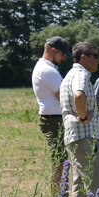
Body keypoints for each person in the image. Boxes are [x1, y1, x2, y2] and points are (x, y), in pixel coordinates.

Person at [58, 42, 99, 197]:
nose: (98, 60)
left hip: (74, 136)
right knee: (97, 178)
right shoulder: (81, 74)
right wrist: (82, 116)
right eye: (95, 56)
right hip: (85, 134)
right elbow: (78, 94)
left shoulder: (69, 74)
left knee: (79, 180)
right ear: (83, 57)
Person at [32, 35, 70, 188]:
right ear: (53, 50)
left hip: (54, 117)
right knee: (60, 162)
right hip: (54, 119)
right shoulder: (46, 70)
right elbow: (64, 97)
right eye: (62, 54)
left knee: (61, 161)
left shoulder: (47, 68)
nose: (63, 58)